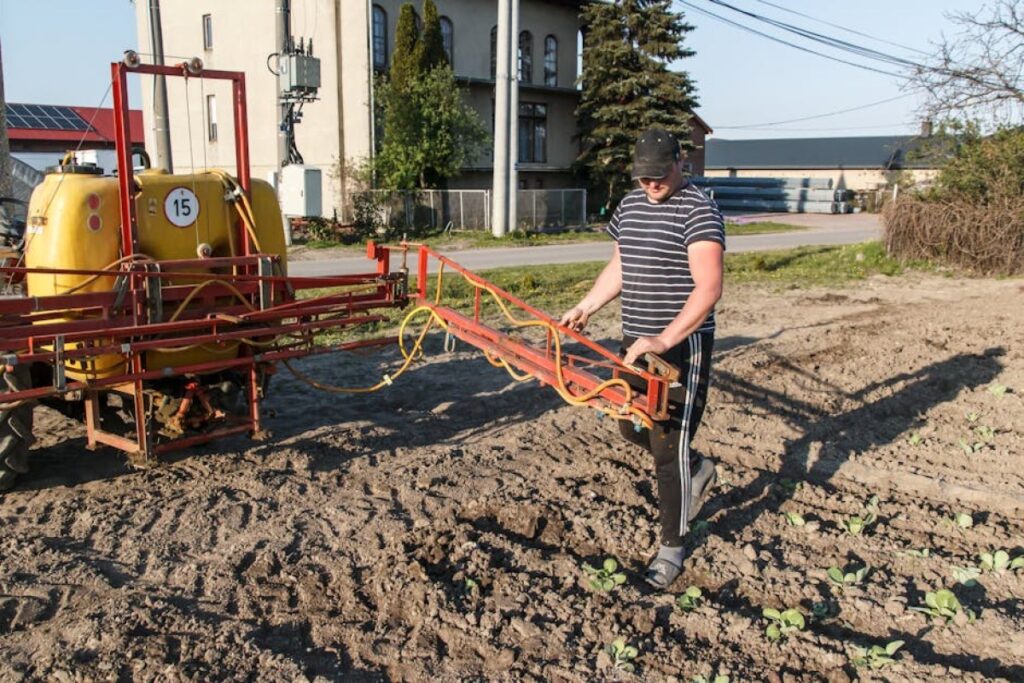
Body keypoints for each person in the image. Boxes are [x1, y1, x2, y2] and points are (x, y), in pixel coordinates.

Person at [560, 127, 725, 590]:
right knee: (627, 423)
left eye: (659, 176)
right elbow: (621, 265)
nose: (651, 186)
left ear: (680, 164)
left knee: (665, 449)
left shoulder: (699, 210)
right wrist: (587, 305)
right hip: (636, 341)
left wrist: (663, 339)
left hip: (679, 347)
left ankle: (672, 546)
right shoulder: (630, 206)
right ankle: (697, 468)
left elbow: (708, 288)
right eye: (643, 178)